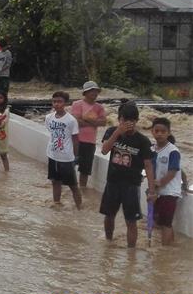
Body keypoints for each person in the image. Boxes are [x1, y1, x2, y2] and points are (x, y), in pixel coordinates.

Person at [100, 101, 155, 248]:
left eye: (131, 121)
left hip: (131, 185)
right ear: (119, 119)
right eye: (124, 120)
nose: (128, 124)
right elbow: (104, 150)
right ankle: (108, 243)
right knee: (109, 215)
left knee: (131, 220)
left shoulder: (143, 141)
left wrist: (151, 189)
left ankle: (131, 252)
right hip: (112, 182)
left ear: (137, 121)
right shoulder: (112, 132)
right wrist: (118, 132)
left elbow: (149, 166)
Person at [45, 91, 82, 209]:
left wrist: (76, 157)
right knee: (55, 182)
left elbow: (75, 139)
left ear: (65, 103)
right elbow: (51, 133)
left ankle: (79, 208)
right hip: (52, 155)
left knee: (73, 186)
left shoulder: (71, 120)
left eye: (59, 101)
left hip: (66, 158)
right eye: (54, 101)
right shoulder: (49, 118)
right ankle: (56, 204)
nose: (56, 104)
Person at [150, 117, 182, 246]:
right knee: (158, 221)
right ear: (152, 132)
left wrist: (159, 184)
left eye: (163, 131)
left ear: (169, 132)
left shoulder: (173, 151)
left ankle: (165, 251)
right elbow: (150, 169)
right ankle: (170, 245)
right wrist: (152, 189)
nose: (159, 134)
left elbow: (172, 172)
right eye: (156, 131)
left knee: (166, 223)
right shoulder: (152, 149)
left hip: (169, 192)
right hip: (158, 191)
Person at [70, 81, 107, 188]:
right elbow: (77, 121)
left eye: (96, 91)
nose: (94, 93)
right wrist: (94, 122)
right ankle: (71, 187)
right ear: (85, 93)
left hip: (90, 143)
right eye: (92, 91)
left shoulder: (99, 107)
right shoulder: (77, 104)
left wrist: (85, 120)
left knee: (85, 170)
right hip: (76, 140)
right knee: (70, 165)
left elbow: (103, 122)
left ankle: (82, 190)